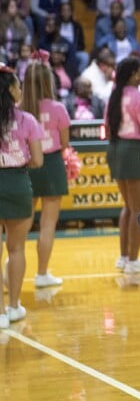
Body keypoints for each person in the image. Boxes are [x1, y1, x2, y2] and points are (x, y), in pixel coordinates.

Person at [0, 64, 44, 329]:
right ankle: (13, 306)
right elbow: (38, 159)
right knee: (16, 249)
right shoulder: (27, 120)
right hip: (17, 182)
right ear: (10, 90)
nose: (21, 90)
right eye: (18, 85)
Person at [21, 60, 71, 288]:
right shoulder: (58, 108)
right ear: (48, 81)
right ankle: (41, 275)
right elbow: (65, 142)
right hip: (51, 164)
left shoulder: (19, 108)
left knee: (19, 226)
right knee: (48, 225)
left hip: (25, 165)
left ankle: (10, 275)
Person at [105, 57, 140, 275]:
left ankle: (124, 257)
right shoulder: (138, 96)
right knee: (138, 209)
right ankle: (133, 260)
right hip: (133, 151)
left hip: (115, 149)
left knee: (127, 206)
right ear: (134, 74)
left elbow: (106, 127)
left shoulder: (113, 96)